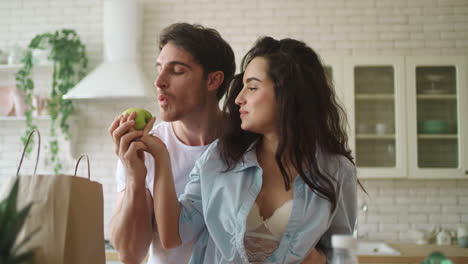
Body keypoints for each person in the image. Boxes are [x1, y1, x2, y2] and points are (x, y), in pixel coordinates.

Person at [141, 36, 358, 263]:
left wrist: (319, 259)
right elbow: (172, 235)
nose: (238, 98)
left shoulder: (336, 171)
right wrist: (161, 158)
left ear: (288, 94)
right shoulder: (221, 157)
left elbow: (342, 251)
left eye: (252, 87)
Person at [108, 23, 235, 264]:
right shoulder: (141, 146)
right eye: (159, 69)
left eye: (176, 71)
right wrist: (135, 177)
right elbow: (130, 254)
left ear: (213, 80)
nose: (159, 82)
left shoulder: (246, 145)